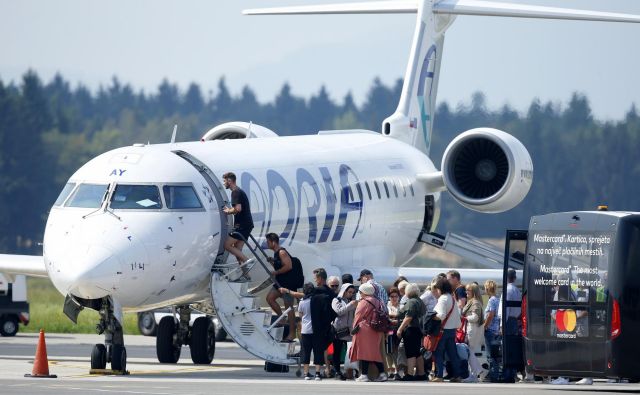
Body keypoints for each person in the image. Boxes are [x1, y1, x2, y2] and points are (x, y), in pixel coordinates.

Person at [349, 283, 387, 382]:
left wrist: (353, 329)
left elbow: (358, 316)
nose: (360, 293)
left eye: (360, 292)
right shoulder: (379, 301)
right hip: (377, 329)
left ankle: (364, 375)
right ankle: (382, 374)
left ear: (364, 292)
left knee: (363, 352)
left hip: (365, 329)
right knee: (375, 353)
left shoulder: (364, 302)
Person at [264, 233, 296, 341]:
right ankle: (282, 318)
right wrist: (272, 262)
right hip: (279, 283)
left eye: (268, 242)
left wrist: (276, 272)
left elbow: (289, 266)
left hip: (287, 284)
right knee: (269, 298)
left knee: (289, 308)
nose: (267, 244)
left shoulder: (282, 252)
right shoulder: (275, 254)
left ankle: (292, 333)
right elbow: (280, 266)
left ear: (273, 242)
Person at [222, 172, 254, 279]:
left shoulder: (235, 192)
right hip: (247, 224)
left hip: (242, 225)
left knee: (227, 245)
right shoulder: (240, 191)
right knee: (237, 250)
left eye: (224, 181)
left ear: (229, 181)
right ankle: (246, 274)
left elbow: (237, 209)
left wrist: (227, 211)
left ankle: (247, 260)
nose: (224, 183)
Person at [431, 277, 462, 382]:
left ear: (440, 288)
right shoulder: (452, 298)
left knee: (438, 353)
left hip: (442, 331)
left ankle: (439, 375)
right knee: (453, 354)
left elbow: (441, 315)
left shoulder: (443, 299)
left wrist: (432, 317)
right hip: (452, 330)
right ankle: (457, 375)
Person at [396, 283, 426, 381]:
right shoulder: (419, 301)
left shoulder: (411, 302)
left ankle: (409, 374)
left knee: (410, 353)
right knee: (417, 353)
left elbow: (408, 317)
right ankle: (421, 374)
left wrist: (400, 329)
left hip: (411, 329)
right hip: (418, 330)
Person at [310, 268, 336, 378]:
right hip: (329, 324)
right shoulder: (331, 293)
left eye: (316, 278)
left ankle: (319, 371)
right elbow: (335, 310)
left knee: (319, 349)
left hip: (318, 325)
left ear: (320, 278)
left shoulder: (316, 292)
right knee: (328, 348)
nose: (315, 280)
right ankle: (328, 369)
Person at [498, 268, 522, 383]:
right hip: (514, 321)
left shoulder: (507, 290)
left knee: (506, 347)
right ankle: (512, 373)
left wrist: (502, 325)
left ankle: (507, 374)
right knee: (512, 347)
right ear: (514, 278)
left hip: (507, 321)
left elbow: (505, 309)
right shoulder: (517, 290)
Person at [331, 283, 357, 380]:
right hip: (338, 330)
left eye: (352, 292)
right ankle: (337, 371)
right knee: (337, 352)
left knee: (349, 352)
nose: (350, 294)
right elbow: (339, 311)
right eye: (349, 292)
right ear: (344, 291)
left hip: (349, 331)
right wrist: (350, 305)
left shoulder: (351, 301)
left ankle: (350, 371)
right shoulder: (336, 300)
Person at [461, 282, 485, 382]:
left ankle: (476, 373)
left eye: (468, 290)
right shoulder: (473, 301)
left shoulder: (475, 302)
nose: (466, 292)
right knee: (470, 352)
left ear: (473, 292)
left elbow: (475, 317)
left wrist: (464, 318)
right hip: (471, 328)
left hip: (472, 329)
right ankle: (475, 373)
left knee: (469, 351)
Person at [298, 283, 323, 380]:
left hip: (305, 330)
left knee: (306, 351)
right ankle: (317, 373)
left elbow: (300, 315)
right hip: (316, 330)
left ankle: (306, 373)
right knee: (317, 351)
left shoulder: (302, 302)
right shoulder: (317, 300)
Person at [483, 279, 501, 381]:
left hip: (490, 330)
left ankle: (494, 374)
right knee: (496, 354)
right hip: (497, 330)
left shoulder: (491, 300)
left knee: (490, 354)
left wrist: (484, 327)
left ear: (487, 288)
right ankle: (496, 373)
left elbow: (490, 315)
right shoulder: (498, 299)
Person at [386, 287, 401, 379]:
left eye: (396, 296)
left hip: (399, 330)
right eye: (392, 296)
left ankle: (397, 370)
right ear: (389, 297)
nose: (394, 298)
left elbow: (403, 317)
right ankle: (390, 370)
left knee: (396, 351)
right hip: (389, 330)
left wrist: (393, 318)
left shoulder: (401, 306)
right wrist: (393, 318)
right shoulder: (386, 306)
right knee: (388, 351)